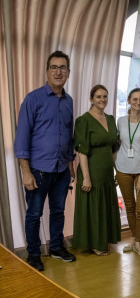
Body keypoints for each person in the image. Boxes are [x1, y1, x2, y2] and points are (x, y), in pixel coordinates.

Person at [14, 51, 77, 271]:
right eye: (54, 67)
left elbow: (68, 136)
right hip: (38, 170)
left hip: (61, 169)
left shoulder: (68, 101)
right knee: (34, 214)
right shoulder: (33, 99)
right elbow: (22, 137)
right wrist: (26, 172)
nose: (58, 72)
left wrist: (70, 164)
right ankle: (33, 254)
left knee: (58, 212)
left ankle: (57, 248)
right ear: (47, 71)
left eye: (63, 68)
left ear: (68, 72)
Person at [72, 85, 121, 256]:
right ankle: (94, 243)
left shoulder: (110, 119)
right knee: (93, 207)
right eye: (98, 96)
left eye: (105, 96)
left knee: (104, 206)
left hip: (107, 173)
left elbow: (114, 149)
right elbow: (81, 151)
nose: (102, 100)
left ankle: (103, 239)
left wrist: (116, 171)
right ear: (91, 99)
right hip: (91, 170)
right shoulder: (83, 120)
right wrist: (86, 177)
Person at [115, 88, 140, 257]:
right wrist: (116, 166)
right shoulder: (121, 121)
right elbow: (116, 146)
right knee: (129, 207)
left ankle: (138, 243)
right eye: (135, 99)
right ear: (128, 100)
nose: (138, 102)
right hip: (123, 171)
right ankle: (135, 240)